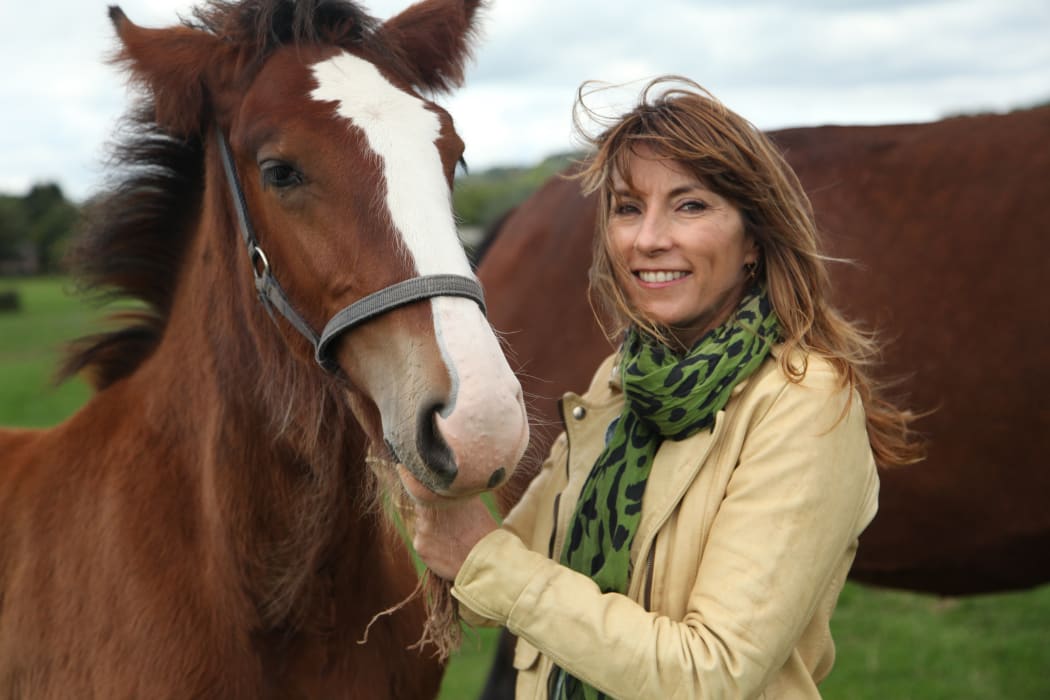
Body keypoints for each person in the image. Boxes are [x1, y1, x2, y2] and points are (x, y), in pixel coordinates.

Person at [413, 76, 922, 699]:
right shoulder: (623, 383)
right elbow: (500, 579)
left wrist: (489, 564)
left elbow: (709, 673)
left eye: (690, 205)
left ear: (754, 240)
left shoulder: (805, 403)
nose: (648, 238)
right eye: (628, 208)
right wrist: (434, 477)